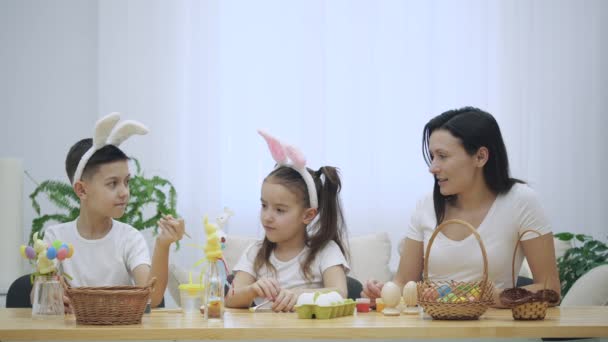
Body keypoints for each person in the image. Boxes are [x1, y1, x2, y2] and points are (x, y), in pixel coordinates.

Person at [362, 107, 560, 307]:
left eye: (443, 156)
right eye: (432, 156)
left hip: (498, 332)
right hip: (432, 332)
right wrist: (383, 292)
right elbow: (404, 282)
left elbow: (549, 289)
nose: (432, 167)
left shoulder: (521, 201)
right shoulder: (426, 205)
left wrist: (486, 297)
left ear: (480, 157)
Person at [41, 113, 184, 310]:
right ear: (82, 190)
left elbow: (152, 297)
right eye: (112, 184)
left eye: (127, 182)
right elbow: (38, 296)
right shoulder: (55, 237)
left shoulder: (129, 238)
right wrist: (50, 295)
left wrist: (163, 244)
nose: (124, 192)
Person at [225, 131, 350, 312]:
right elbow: (231, 300)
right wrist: (252, 290)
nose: (267, 216)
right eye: (264, 205)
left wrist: (300, 295)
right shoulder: (255, 252)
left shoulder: (326, 251)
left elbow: (339, 293)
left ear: (308, 215)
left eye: (280, 210)